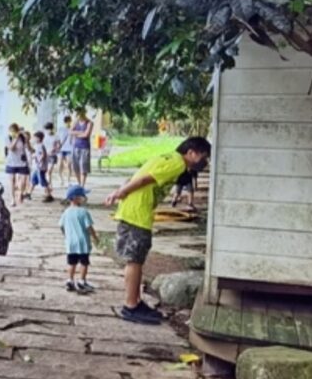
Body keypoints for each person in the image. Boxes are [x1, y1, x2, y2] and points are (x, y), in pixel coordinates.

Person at [102, 135, 212, 324]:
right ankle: (130, 306)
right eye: (203, 156)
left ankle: (136, 300)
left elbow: (140, 174)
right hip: (137, 212)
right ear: (191, 152)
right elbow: (145, 179)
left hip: (135, 210)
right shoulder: (177, 163)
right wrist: (121, 192)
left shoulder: (167, 157)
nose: (205, 161)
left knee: (137, 259)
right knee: (134, 260)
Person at [60, 184, 96, 294]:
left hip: (71, 243)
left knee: (72, 263)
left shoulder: (66, 212)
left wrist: (66, 235)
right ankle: (81, 281)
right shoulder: (84, 212)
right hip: (83, 242)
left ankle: (70, 280)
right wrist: (95, 237)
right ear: (77, 198)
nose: (85, 197)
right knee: (84, 263)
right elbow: (89, 227)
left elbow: (61, 226)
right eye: (83, 195)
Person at [4, 126, 32, 203]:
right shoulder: (8, 138)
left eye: (15, 131)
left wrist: (27, 140)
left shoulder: (22, 138)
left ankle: (20, 194)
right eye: (11, 131)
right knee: (12, 180)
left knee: (23, 180)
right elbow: (11, 148)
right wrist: (15, 138)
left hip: (22, 162)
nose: (13, 132)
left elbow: (29, 149)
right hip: (11, 162)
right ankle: (12, 198)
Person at [67, 111, 94, 187]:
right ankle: (79, 183)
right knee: (75, 167)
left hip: (84, 147)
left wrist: (76, 134)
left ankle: (82, 185)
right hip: (76, 146)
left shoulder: (89, 123)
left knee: (83, 167)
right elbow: (70, 131)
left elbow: (86, 135)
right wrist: (79, 132)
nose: (77, 117)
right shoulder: (76, 122)